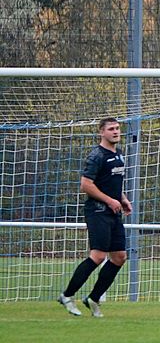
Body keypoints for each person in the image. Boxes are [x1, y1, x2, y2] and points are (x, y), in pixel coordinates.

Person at [58, 117, 133, 318]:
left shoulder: (119, 154)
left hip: (113, 211)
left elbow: (111, 183)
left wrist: (122, 199)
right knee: (98, 256)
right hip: (97, 211)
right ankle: (67, 295)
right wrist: (109, 200)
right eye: (111, 129)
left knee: (119, 257)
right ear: (102, 132)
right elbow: (86, 185)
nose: (116, 132)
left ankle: (93, 298)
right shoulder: (96, 156)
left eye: (117, 128)